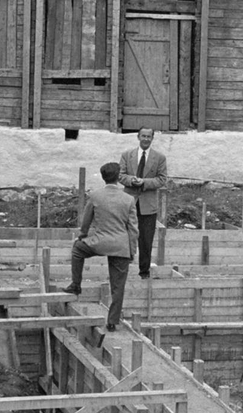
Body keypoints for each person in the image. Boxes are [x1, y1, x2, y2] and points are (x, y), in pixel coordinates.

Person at [64, 162, 138, 332]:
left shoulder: (96, 196)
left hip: (99, 242)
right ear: (118, 177)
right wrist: (132, 250)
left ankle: (76, 284)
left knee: (77, 250)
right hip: (121, 245)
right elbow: (133, 229)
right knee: (118, 286)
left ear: (103, 177)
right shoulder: (128, 199)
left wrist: (83, 235)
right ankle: (112, 322)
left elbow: (86, 220)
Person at [120, 127, 167, 278]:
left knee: (146, 240)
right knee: (126, 237)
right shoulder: (127, 155)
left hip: (148, 206)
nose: (146, 139)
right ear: (138, 137)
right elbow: (120, 175)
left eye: (149, 136)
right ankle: (122, 269)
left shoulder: (159, 158)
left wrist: (144, 182)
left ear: (152, 138)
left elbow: (162, 179)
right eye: (143, 136)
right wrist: (132, 180)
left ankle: (144, 272)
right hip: (129, 202)